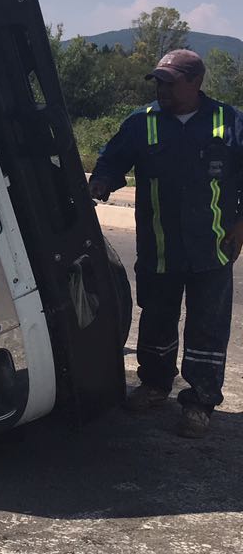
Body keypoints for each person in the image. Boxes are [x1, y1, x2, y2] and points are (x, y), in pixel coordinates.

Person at [88, 49, 243, 438]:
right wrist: (100, 183)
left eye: (169, 82)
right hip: (159, 248)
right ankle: (155, 385)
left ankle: (200, 402)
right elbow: (109, 161)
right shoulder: (143, 122)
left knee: (208, 328)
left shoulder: (230, 121)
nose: (162, 89)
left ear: (195, 83)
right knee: (156, 320)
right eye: (158, 81)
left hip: (214, 249)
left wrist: (241, 228)